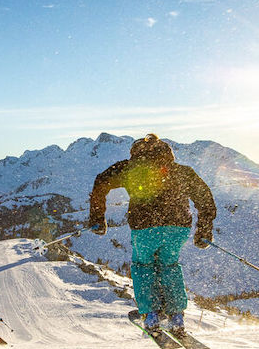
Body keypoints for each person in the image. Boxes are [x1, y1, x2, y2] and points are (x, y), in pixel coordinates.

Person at [88, 133, 216, 337]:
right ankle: (176, 316)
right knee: (169, 265)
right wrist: (204, 229)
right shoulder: (182, 171)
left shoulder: (129, 168)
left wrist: (97, 218)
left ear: (135, 152)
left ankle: (152, 315)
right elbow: (205, 198)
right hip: (178, 226)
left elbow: (101, 182)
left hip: (145, 226)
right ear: (168, 153)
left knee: (143, 265)